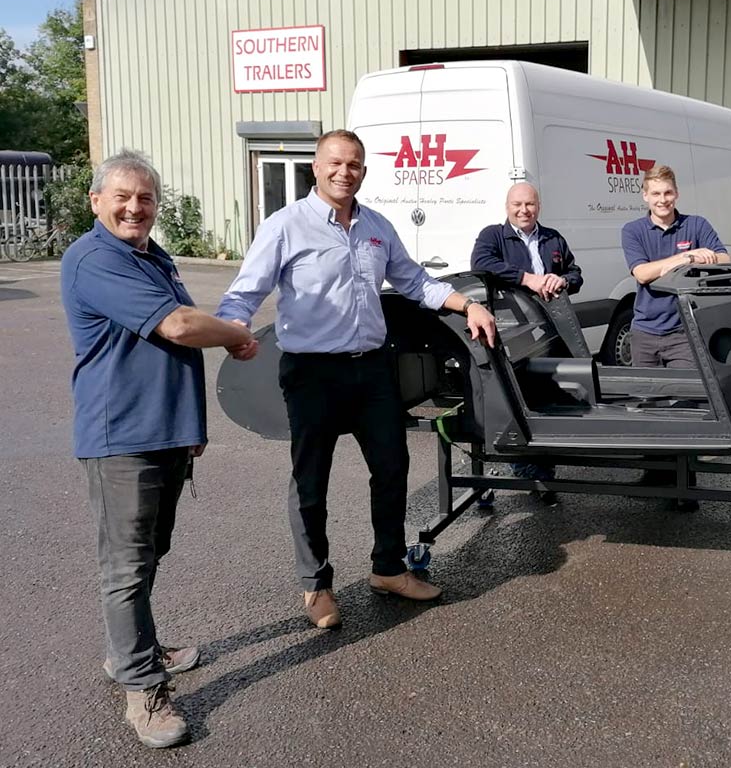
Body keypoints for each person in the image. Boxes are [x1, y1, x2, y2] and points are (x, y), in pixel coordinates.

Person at [216, 129, 496, 630]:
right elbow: (244, 293)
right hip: (312, 372)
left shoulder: (376, 226)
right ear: (317, 168)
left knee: (392, 467)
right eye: (335, 163)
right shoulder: (286, 226)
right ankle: (317, 586)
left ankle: (387, 569)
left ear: (364, 171)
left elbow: (415, 282)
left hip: (372, 367)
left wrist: (468, 304)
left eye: (355, 165)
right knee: (311, 480)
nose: (345, 172)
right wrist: (232, 329)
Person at [61, 149, 258, 749]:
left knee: (149, 553)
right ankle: (143, 687)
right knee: (125, 567)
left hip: (163, 433)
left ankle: (133, 649)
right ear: (96, 201)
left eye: (145, 198)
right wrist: (238, 336)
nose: (134, 207)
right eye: (121, 196)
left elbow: (170, 346)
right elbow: (178, 327)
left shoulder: (152, 256)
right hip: (121, 436)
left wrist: (188, 429)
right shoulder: (94, 257)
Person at [620, 164, 730, 507]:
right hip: (645, 332)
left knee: (685, 407)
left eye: (667, 193)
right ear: (645, 196)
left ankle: (686, 483)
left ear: (676, 194)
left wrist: (707, 257)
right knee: (648, 406)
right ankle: (654, 475)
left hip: (684, 331)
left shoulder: (696, 225)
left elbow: (725, 259)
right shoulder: (633, 230)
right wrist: (684, 256)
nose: (662, 200)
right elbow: (642, 274)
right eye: (655, 194)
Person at [471, 182, 582, 505]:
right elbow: (482, 264)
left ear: (539, 206)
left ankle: (545, 467)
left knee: (551, 399)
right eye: (517, 204)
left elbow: (575, 272)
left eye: (530, 204)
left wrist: (562, 279)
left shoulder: (552, 238)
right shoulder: (493, 236)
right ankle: (528, 468)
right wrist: (527, 278)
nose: (524, 210)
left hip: (551, 330)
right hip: (512, 333)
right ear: (507, 206)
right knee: (517, 401)